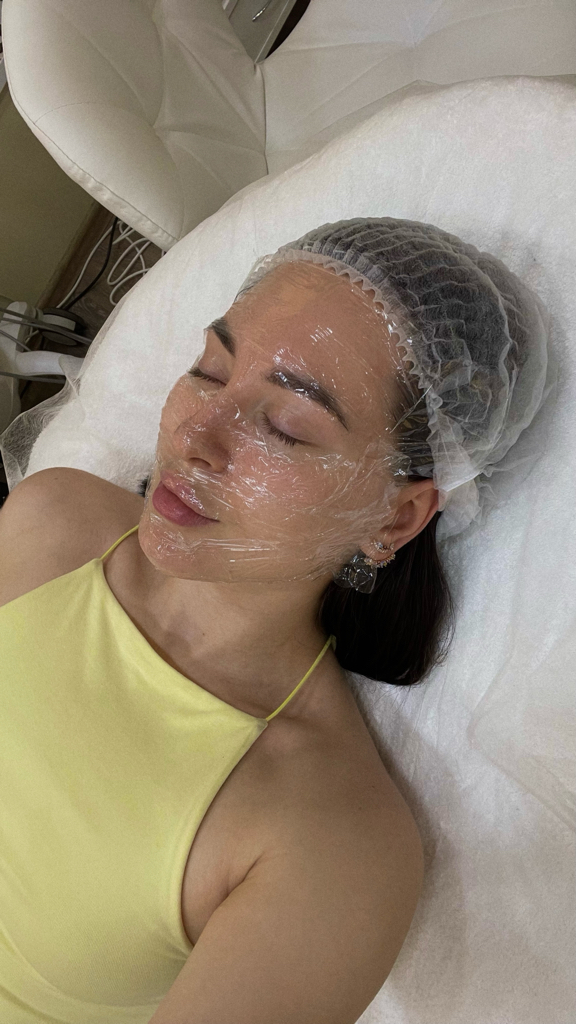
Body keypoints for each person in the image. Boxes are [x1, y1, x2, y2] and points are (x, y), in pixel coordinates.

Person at [0, 217, 550, 1024]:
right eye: (210, 369)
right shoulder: (55, 518)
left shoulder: (325, 839)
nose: (194, 436)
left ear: (393, 517)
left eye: (285, 426)